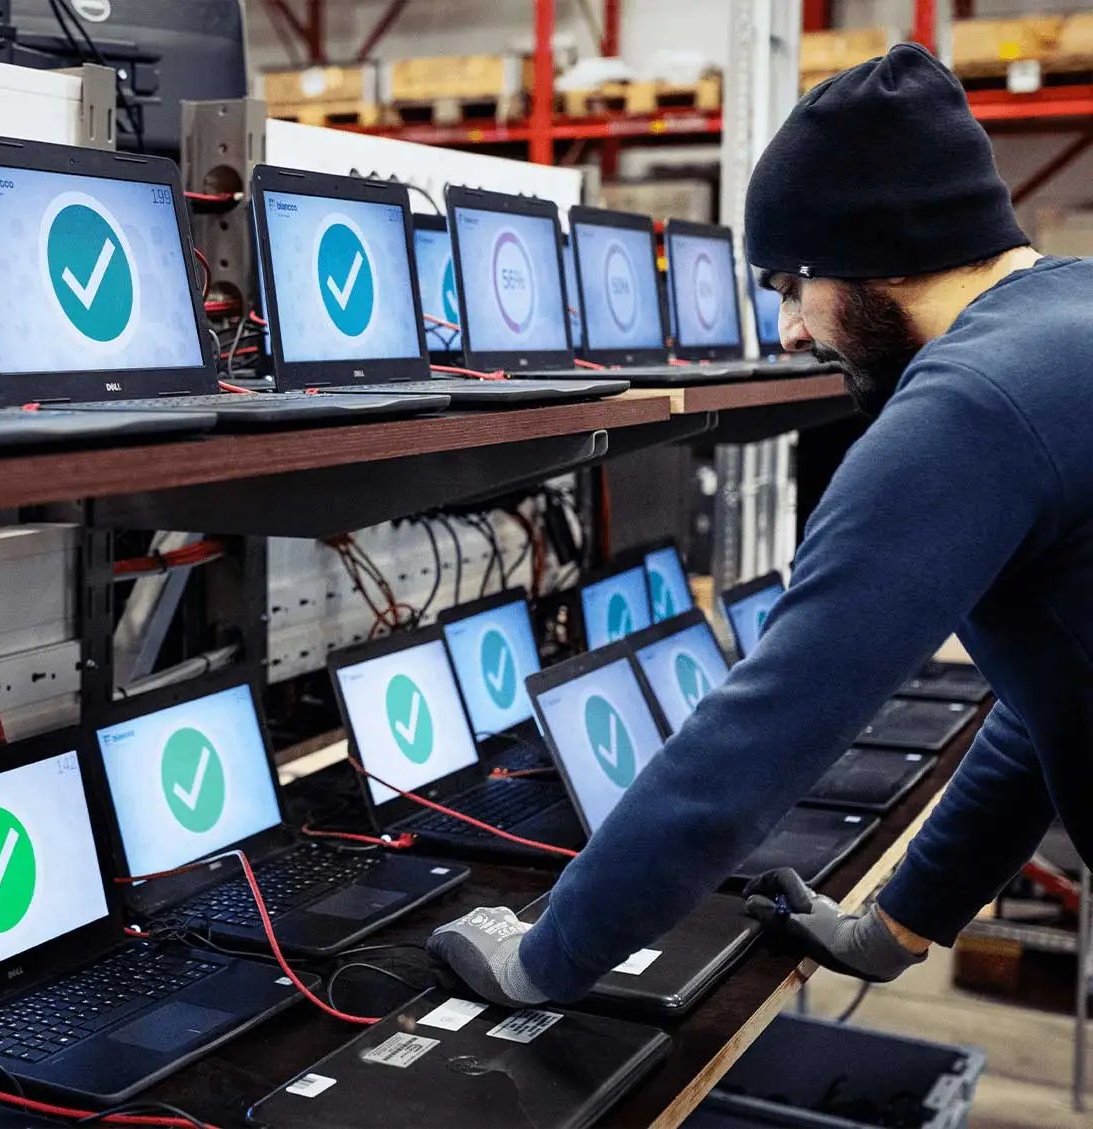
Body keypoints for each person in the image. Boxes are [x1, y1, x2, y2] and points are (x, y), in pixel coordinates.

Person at [426, 42, 1093, 1005]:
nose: (787, 330)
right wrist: (895, 927)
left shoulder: (971, 406)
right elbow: (1054, 705)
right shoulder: (1067, 314)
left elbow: (762, 732)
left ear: (870, 256)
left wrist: (543, 958)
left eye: (789, 284)